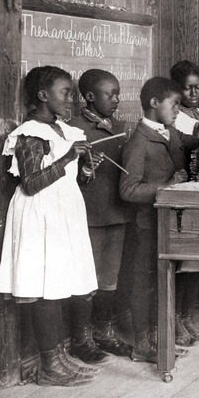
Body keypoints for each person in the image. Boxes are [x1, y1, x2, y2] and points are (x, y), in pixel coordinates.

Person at [0, 66, 105, 386]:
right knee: (45, 290)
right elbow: (31, 183)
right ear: (43, 96)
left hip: (61, 214)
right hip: (38, 214)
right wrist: (68, 158)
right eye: (65, 92)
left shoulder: (63, 129)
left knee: (57, 286)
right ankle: (48, 365)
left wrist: (85, 169)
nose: (71, 98)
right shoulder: (31, 132)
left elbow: (70, 180)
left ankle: (58, 358)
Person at [120, 77, 199, 363]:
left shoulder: (170, 131)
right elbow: (128, 190)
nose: (179, 109)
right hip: (149, 224)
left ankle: (158, 337)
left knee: (162, 281)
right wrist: (166, 186)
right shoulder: (138, 142)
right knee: (145, 282)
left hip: (170, 223)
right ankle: (142, 345)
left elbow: (188, 143)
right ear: (154, 103)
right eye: (174, 104)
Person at [67, 69, 133, 359]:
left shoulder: (120, 127)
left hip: (116, 214)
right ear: (90, 97)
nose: (117, 99)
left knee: (110, 278)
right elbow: (67, 181)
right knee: (86, 278)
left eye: (118, 93)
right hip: (89, 218)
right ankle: (82, 340)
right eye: (111, 94)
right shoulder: (73, 129)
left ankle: (103, 333)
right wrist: (85, 167)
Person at [170, 60, 199, 346]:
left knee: (198, 261)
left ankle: (188, 316)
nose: (192, 92)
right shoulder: (176, 117)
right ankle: (175, 319)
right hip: (184, 191)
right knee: (182, 263)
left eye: (197, 87)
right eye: (186, 88)